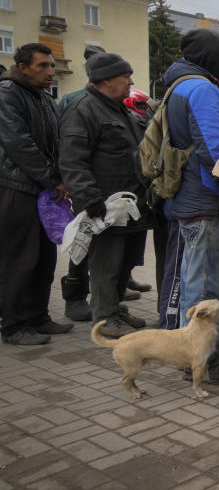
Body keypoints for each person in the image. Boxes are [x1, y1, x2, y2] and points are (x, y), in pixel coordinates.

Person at [161, 28, 219, 383]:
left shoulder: (178, 84)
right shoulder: (202, 89)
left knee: (196, 280)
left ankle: (195, 353)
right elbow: (218, 153)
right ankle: (200, 360)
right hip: (205, 199)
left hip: (189, 198)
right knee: (206, 286)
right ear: (214, 58)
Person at [59, 52, 153, 337]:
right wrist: (90, 200)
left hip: (130, 204)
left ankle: (115, 310)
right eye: (126, 77)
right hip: (105, 206)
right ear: (107, 80)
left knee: (125, 263)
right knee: (106, 265)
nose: (131, 82)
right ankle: (105, 318)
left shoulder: (117, 108)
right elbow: (72, 160)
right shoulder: (83, 110)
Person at [0, 43, 72, 345]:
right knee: (20, 258)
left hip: (44, 188)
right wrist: (50, 179)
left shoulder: (42, 97)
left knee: (44, 258)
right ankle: (14, 325)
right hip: (18, 188)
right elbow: (19, 144)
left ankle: (38, 316)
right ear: (23, 66)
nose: (50, 71)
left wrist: (60, 178)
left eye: (52, 66)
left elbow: (55, 143)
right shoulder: (7, 93)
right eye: (43, 66)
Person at [56, 43, 106, 322]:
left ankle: (105, 298)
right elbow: (65, 146)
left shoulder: (113, 100)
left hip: (107, 187)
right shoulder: (73, 101)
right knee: (81, 242)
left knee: (104, 246)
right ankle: (74, 297)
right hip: (83, 185)